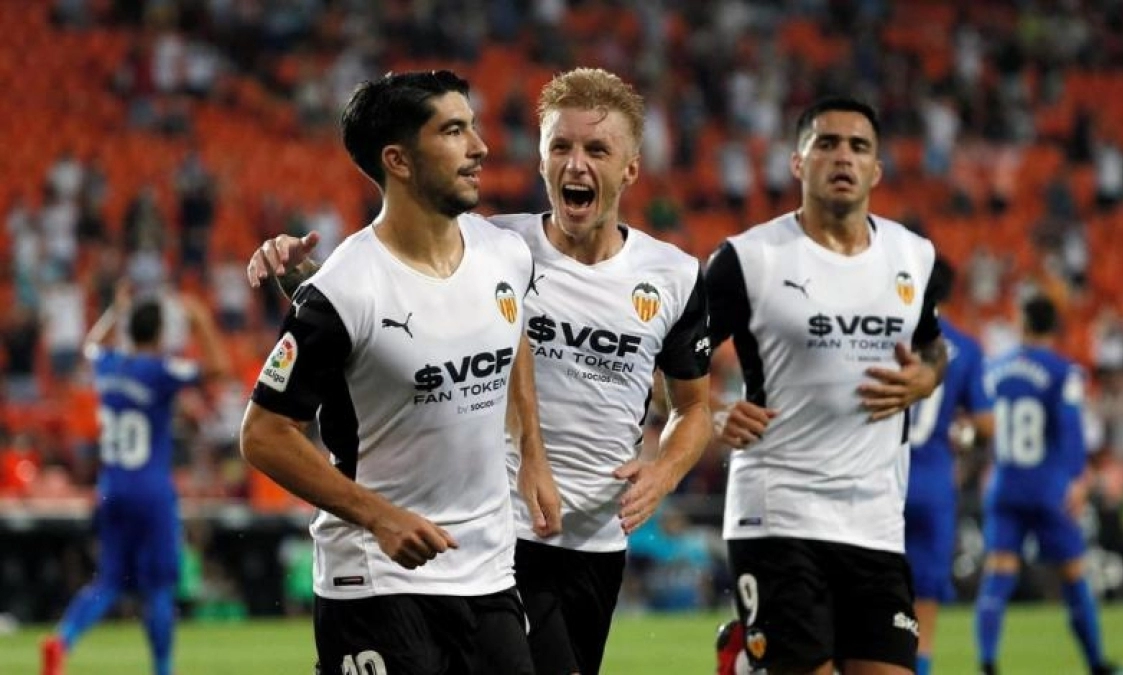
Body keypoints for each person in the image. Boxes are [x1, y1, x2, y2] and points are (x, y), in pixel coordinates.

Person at [247, 67, 713, 675]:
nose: (575, 165)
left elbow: (687, 404)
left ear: (630, 168)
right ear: (542, 160)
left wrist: (645, 468)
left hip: (584, 540)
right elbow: (376, 311)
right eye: (560, 148)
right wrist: (309, 290)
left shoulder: (646, 272)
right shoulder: (495, 242)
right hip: (470, 544)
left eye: (596, 149)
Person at [239, 70, 555, 675]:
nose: (481, 147)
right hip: (377, 579)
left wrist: (533, 452)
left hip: (488, 571)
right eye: (455, 131)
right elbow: (262, 435)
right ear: (398, 160)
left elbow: (512, 339)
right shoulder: (342, 292)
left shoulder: (505, 255)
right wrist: (379, 517)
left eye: (474, 127)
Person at [707, 96, 948, 675]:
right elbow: (671, 355)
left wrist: (928, 376)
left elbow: (933, 343)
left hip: (877, 520)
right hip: (779, 509)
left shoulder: (914, 257)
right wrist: (712, 411)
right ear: (797, 163)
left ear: (877, 169)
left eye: (859, 146)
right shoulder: (748, 259)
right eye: (827, 143)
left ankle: (744, 661)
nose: (843, 156)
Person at [41, 285, 228, 675]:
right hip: (152, 490)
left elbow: (91, 344)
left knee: (108, 581)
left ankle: (63, 639)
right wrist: (201, 321)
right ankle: (162, 668)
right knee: (158, 587)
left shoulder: (109, 365)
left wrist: (114, 312)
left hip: (111, 489)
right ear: (161, 334)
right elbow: (217, 370)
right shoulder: (160, 370)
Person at [975, 295, 1123, 675]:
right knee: (1074, 575)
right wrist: (1078, 480)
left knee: (998, 575)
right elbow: (1071, 431)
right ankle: (1096, 663)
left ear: (1024, 323)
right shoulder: (1064, 372)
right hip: (1048, 489)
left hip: (1005, 484)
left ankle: (989, 664)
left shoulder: (995, 368)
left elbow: (982, 424)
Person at [903, 258, 994, 675]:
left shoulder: (885, 334)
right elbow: (986, 426)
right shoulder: (967, 347)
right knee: (925, 608)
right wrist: (963, 436)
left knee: (862, 598)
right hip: (935, 483)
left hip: (881, 478)